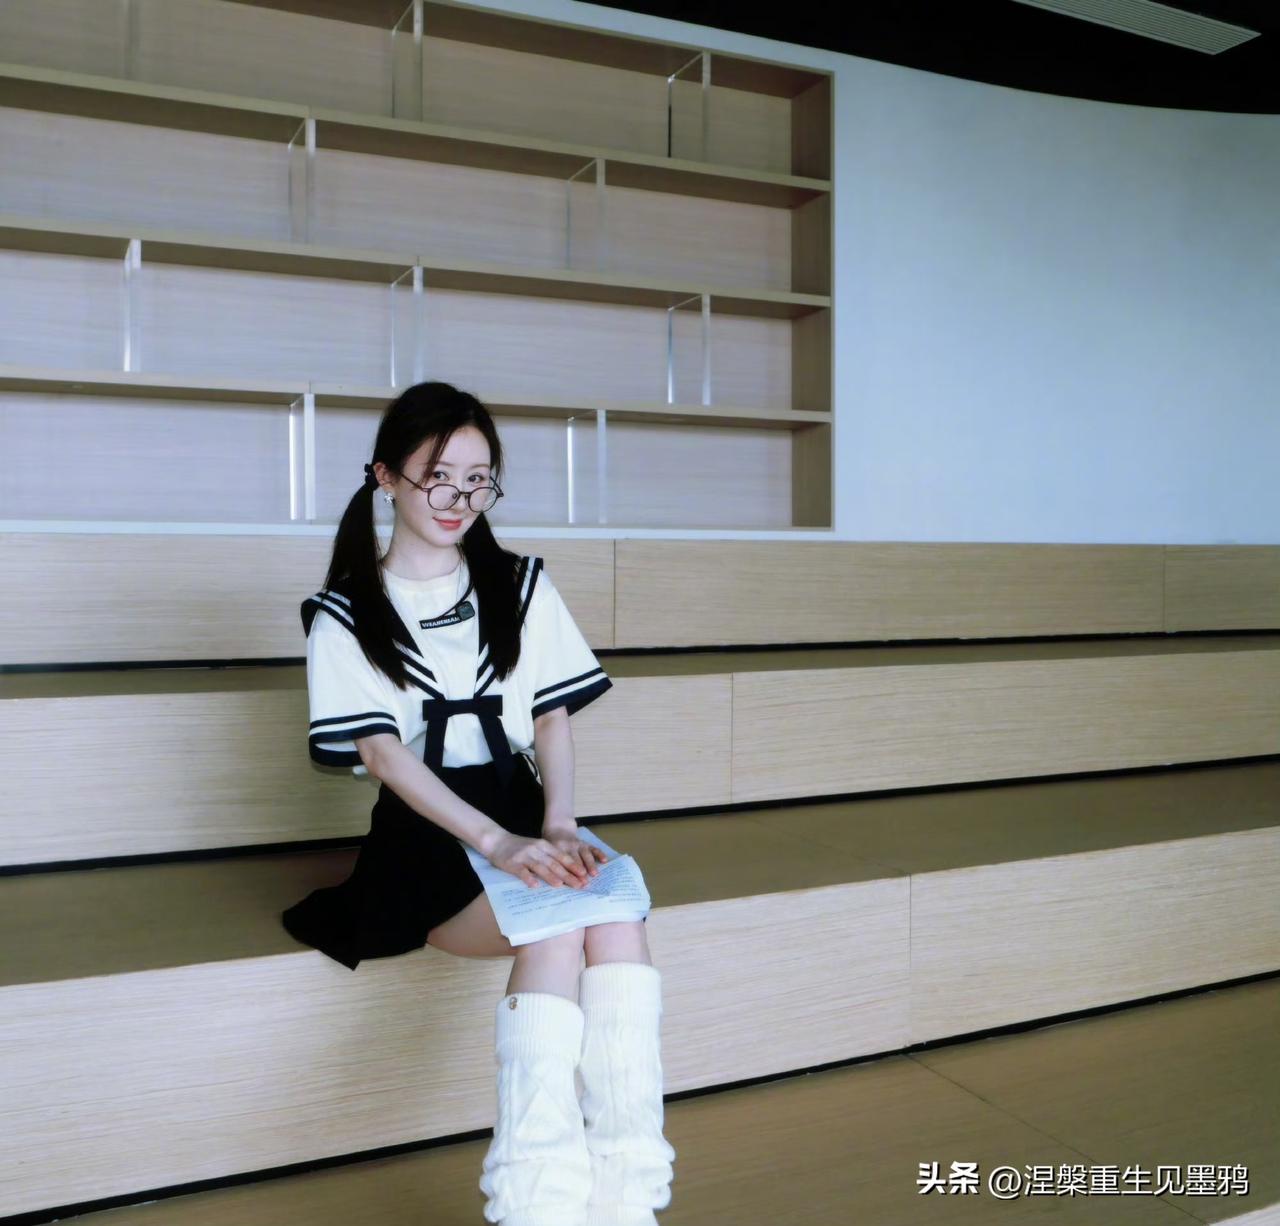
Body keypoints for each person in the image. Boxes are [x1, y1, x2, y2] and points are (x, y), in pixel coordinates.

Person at [280, 381, 676, 1225]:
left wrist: (558, 825)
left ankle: (627, 1196)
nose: (459, 499)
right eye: (438, 477)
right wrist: (497, 844)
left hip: (523, 808)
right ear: (386, 477)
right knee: (559, 923)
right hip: (426, 832)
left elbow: (552, 717)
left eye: (478, 480)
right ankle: (536, 1203)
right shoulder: (345, 612)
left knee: (617, 917)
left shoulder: (520, 584)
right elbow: (382, 755)